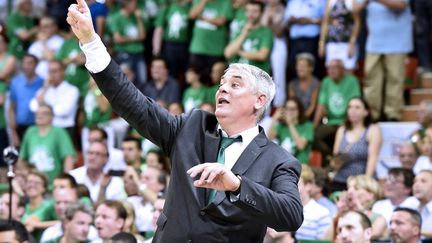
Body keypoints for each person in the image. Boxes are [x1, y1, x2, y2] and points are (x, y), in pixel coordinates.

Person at [67, 1, 303, 242]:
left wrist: (238, 186)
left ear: (259, 100)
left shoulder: (279, 160)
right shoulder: (192, 126)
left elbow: (291, 215)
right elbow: (133, 104)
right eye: (222, 84)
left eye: (235, 85)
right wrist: (91, 42)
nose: (222, 90)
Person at [331, 97, 382, 191]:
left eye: (357, 107)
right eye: (350, 107)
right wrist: (341, 158)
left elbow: (373, 158)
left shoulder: (373, 129)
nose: (352, 110)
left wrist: (366, 183)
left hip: (361, 181)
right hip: (342, 179)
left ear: (366, 112)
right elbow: (334, 162)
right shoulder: (342, 130)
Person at [224, 0, 273, 74]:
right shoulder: (240, 30)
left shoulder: (266, 32)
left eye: (255, 11)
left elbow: (262, 56)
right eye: (248, 11)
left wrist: (239, 52)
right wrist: (244, 33)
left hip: (257, 76)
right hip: (238, 74)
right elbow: (228, 53)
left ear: (261, 13)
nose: (251, 14)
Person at [8, 54, 44, 147]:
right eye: (24, 63)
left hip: (38, 126)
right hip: (20, 127)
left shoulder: (42, 82)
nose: (26, 66)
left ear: (36, 65)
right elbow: (12, 108)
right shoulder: (16, 82)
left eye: (29, 63)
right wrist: (13, 132)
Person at [268, 97, 314, 164]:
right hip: (283, 165)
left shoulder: (307, 126)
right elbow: (269, 138)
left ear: (299, 110)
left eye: (293, 109)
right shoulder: (281, 126)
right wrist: (274, 119)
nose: (290, 112)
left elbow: (300, 146)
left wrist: (290, 124)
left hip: (300, 166)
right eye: (287, 109)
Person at [319, 0, 361, 71]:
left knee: (348, 70)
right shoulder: (330, 1)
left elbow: (357, 22)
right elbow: (325, 22)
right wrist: (322, 42)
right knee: (332, 71)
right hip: (332, 42)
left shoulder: (351, 1)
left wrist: (352, 42)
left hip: (347, 43)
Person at [288, 53, 320, 120]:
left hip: (309, 119)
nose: (299, 69)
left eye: (302, 66)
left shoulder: (316, 83)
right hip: (294, 118)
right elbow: (292, 104)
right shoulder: (292, 84)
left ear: (311, 68)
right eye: (298, 66)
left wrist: (302, 119)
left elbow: (312, 106)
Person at [412, 169, 432, 239]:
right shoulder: (410, 208)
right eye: (414, 181)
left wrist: (411, 232)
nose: (416, 185)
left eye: (423, 181)